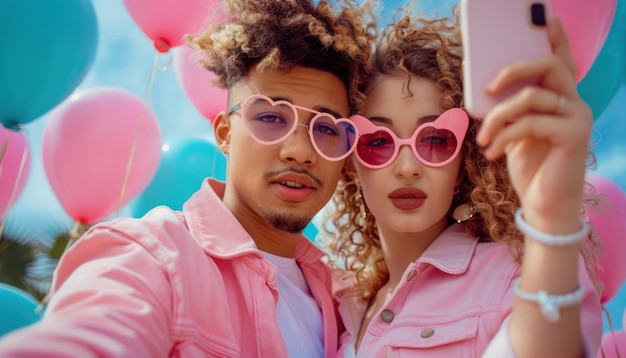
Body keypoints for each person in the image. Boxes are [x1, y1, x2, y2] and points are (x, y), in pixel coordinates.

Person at [0, 1, 374, 356]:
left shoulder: (348, 301)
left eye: (326, 128)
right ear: (226, 134)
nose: (300, 150)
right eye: (272, 117)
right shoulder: (151, 256)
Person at [321, 8, 604, 357]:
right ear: (351, 162)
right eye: (378, 141)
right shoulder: (335, 307)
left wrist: (553, 220)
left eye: (436, 140)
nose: (407, 167)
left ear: (464, 162)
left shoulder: (517, 275)